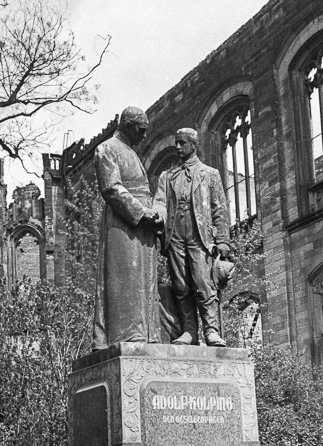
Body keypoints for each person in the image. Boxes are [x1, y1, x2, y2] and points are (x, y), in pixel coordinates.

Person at [92, 106, 164, 350]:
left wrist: (153, 215)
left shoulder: (131, 152)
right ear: (128, 125)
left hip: (143, 225)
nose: (144, 136)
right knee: (126, 277)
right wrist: (141, 213)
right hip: (124, 224)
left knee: (145, 279)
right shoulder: (107, 149)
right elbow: (111, 188)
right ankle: (127, 334)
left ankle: (145, 333)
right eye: (141, 130)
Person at [154, 127, 231, 347]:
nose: (178, 147)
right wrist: (157, 215)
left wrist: (223, 240)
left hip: (200, 237)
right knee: (181, 287)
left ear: (193, 145)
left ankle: (212, 331)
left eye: (182, 143)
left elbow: (219, 209)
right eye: (176, 143)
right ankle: (189, 331)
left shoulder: (210, 174)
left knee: (203, 283)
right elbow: (159, 202)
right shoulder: (167, 177)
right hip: (175, 237)